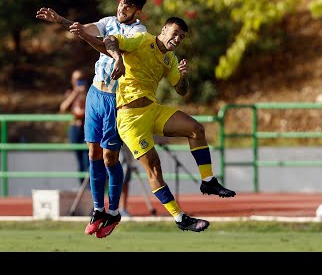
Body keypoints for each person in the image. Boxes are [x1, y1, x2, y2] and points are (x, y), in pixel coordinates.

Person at [69, 16, 236, 233]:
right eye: (175, 33)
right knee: (154, 169)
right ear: (164, 29)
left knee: (196, 129)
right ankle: (180, 217)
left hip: (153, 110)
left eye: (182, 37)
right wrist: (118, 58)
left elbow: (182, 90)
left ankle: (208, 181)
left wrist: (184, 77)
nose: (177, 39)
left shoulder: (170, 59)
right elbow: (110, 40)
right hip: (130, 119)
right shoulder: (141, 40)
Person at [35, 0, 148, 238]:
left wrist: (97, 44)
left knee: (110, 157)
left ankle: (115, 211)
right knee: (93, 152)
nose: (122, 9)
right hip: (95, 96)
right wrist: (60, 20)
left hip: (115, 99)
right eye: (121, 4)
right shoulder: (109, 21)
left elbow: (108, 46)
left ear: (138, 12)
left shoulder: (139, 33)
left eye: (128, 7)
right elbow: (83, 28)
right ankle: (98, 210)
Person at [60, 69, 89, 186]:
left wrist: (84, 93)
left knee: (88, 160)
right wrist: (76, 92)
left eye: (81, 79)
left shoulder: (90, 93)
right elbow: (63, 108)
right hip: (75, 129)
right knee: (80, 162)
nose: (79, 82)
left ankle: (90, 190)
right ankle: (82, 188)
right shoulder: (70, 93)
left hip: (87, 128)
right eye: (77, 79)